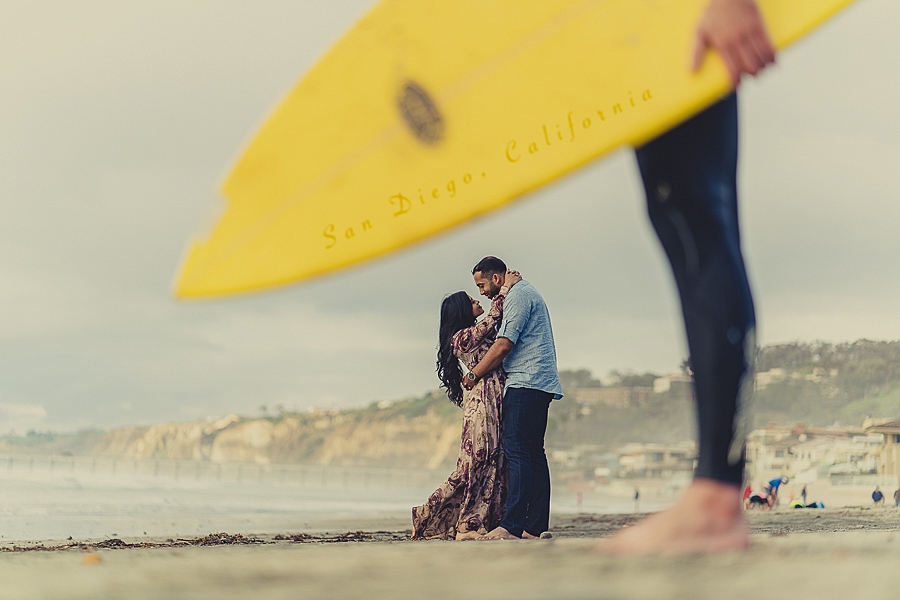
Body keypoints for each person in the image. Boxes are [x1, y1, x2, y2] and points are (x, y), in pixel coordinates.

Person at [600, 0, 776, 554]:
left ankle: (717, 502)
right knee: (678, 211)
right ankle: (716, 497)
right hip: (632, 22)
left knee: (696, 212)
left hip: (678, 15)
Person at [411, 270, 522, 539]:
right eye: (472, 300)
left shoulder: (471, 333)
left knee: (493, 460)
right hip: (482, 402)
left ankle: (478, 519)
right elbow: (494, 317)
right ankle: (457, 521)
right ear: (462, 310)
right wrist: (506, 287)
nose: (477, 301)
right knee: (477, 461)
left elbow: (496, 324)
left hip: (492, 398)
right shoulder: (460, 338)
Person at [461, 256, 563, 540]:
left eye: (481, 285)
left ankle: (512, 526)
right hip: (539, 382)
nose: (481, 291)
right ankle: (534, 527)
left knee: (517, 451)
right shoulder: (519, 292)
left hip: (526, 381)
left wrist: (473, 375)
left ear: (496, 278)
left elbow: (504, 344)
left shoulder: (518, 296)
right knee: (533, 453)